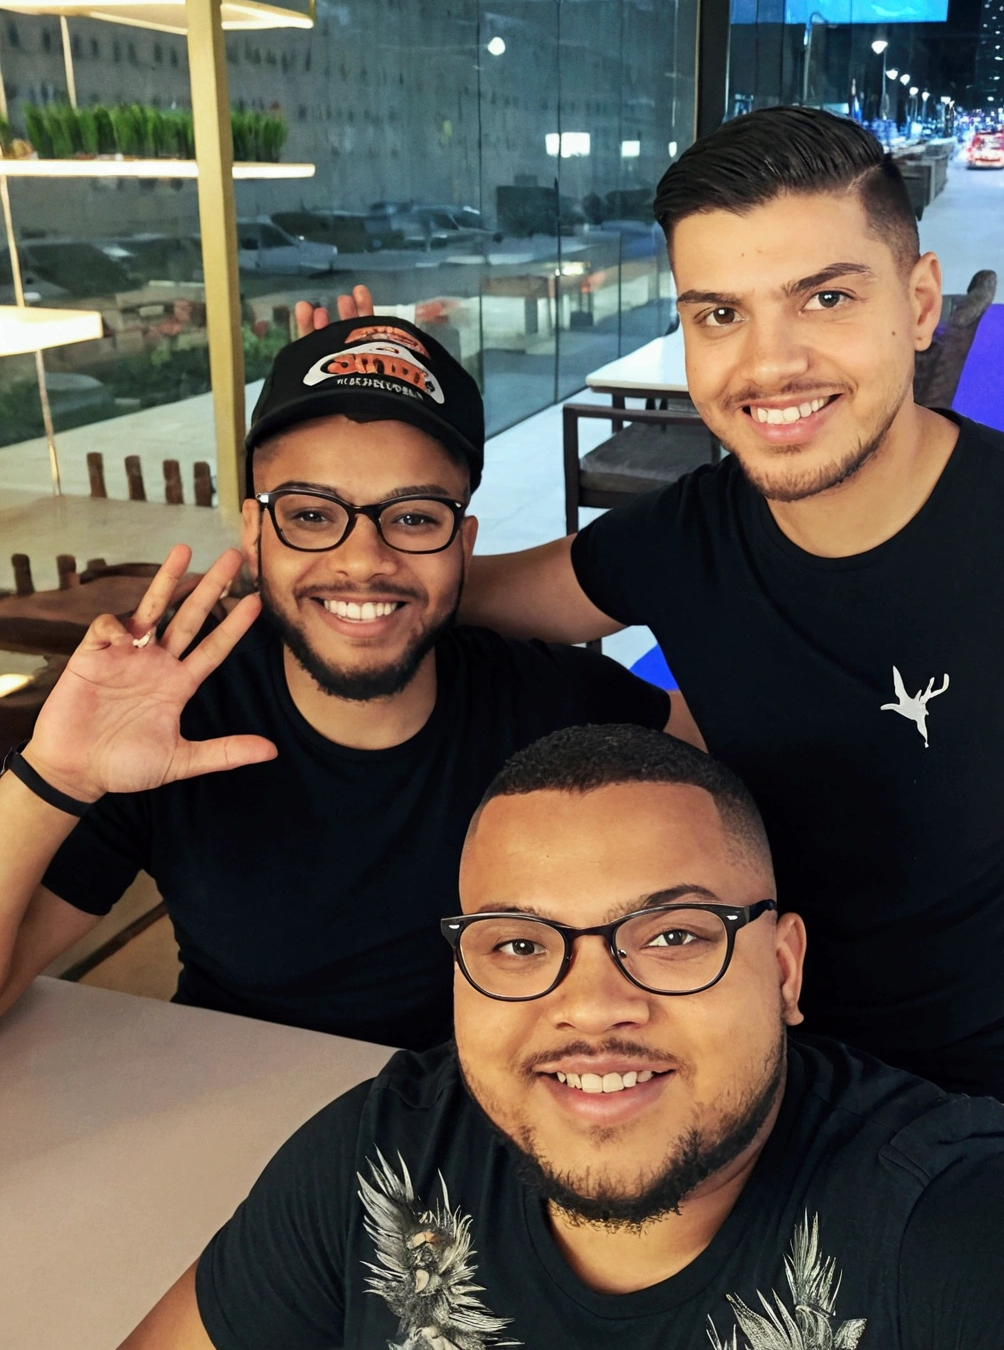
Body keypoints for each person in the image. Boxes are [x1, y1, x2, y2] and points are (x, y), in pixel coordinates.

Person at [298, 111, 1004, 1235]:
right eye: (719, 314)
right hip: (698, 1085)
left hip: (946, 1101)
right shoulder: (692, 533)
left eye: (827, 297)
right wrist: (305, 567)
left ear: (921, 301)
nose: (770, 364)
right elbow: (463, 586)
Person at [120, 724, 1004, 1349]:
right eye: (520, 945)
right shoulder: (381, 1166)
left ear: (784, 969)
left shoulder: (938, 1221)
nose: (592, 1006)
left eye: (670, 935)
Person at [0, 318, 692, 1049]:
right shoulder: (175, 718)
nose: (363, 559)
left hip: (475, 1114)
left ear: (463, 544)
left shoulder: (551, 702)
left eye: (415, 517)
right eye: (309, 514)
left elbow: (751, 777)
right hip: (231, 1095)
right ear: (252, 532)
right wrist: (55, 775)